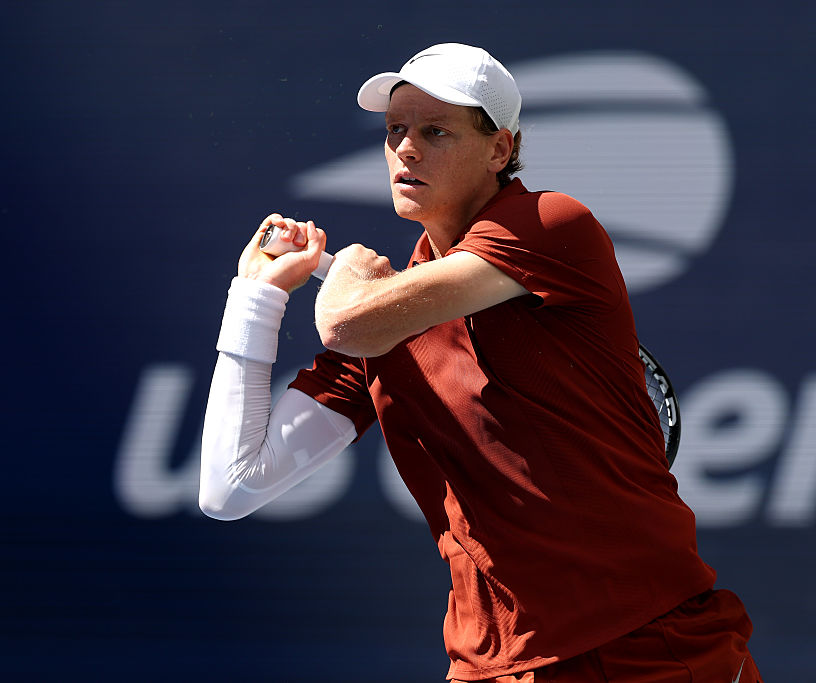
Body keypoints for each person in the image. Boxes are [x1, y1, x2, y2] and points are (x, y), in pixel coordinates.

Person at [200, 43, 762, 682]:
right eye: (395, 130)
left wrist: (349, 270)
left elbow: (344, 321)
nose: (406, 149)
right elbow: (231, 487)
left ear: (500, 149)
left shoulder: (551, 224)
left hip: (652, 649)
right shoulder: (384, 321)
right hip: (492, 665)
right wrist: (254, 299)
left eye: (435, 131)